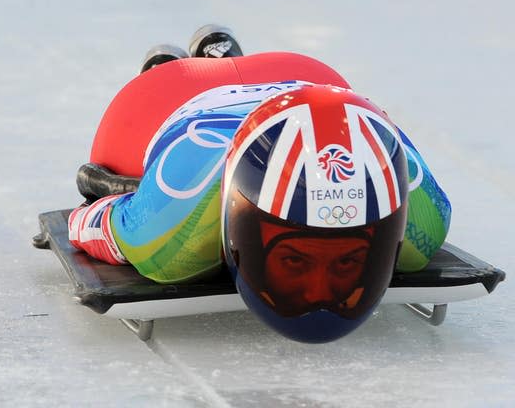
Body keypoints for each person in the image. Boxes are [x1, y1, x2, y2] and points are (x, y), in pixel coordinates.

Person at [68, 25, 451, 342]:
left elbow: (83, 222)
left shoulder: (423, 219)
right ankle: (173, 68)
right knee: (124, 147)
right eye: (295, 259)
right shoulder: (172, 228)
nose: (320, 292)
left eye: (349, 258)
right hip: (179, 94)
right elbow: (88, 221)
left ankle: (198, 60)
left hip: (305, 82)